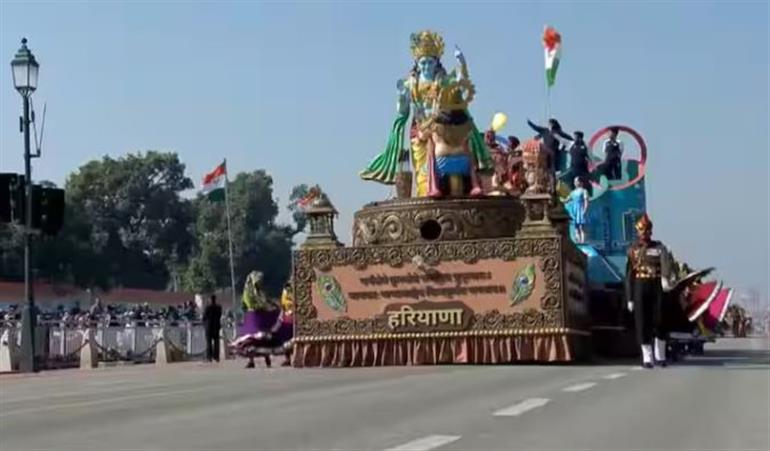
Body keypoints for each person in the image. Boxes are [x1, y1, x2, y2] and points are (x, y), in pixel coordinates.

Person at [625, 214, 674, 368]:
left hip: (656, 285)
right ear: (638, 232)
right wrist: (630, 297)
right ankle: (647, 357)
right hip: (640, 285)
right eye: (642, 231)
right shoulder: (633, 250)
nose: (644, 234)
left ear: (651, 232)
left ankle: (660, 355)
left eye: (647, 231)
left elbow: (666, 263)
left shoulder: (659, 248)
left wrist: (665, 278)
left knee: (660, 320)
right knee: (642, 322)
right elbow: (629, 276)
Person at [565, 177, 589, 243]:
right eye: (574, 181)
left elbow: (586, 201)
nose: (575, 183)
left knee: (581, 227)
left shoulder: (584, 191)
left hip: (580, 210)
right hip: (574, 211)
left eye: (576, 181)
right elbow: (567, 199)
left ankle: (583, 242)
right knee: (576, 228)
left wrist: (585, 210)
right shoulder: (572, 192)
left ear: (580, 182)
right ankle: (578, 242)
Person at [202, 294, 222, 363]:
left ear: (210, 300)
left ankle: (209, 357)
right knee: (216, 342)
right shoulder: (219, 307)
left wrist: (204, 324)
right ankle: (216, 357)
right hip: (216, 326)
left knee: (208, 343)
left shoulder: (207, 307)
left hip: (209, 327)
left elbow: (204, 317)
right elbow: (219, 316)